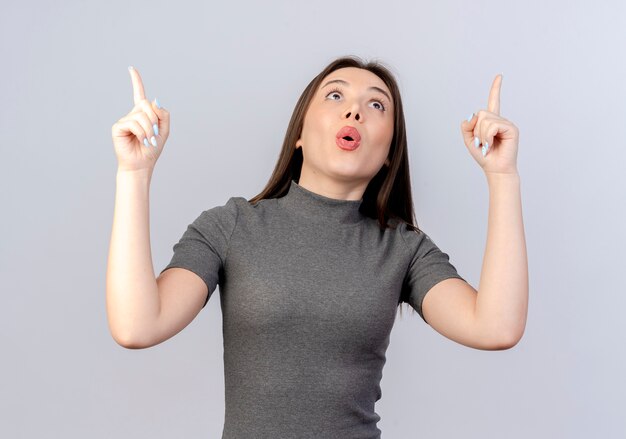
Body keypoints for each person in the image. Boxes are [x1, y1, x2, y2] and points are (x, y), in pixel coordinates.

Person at [107, 56, 528, 438]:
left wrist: (503, 176)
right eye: (335, 94)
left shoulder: (403, 247)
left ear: (388, 154)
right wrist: (134, 173)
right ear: (299, 135)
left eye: (377, 105)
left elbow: (495, 327)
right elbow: (138, 325)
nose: (355, 110)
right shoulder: (232, 226)